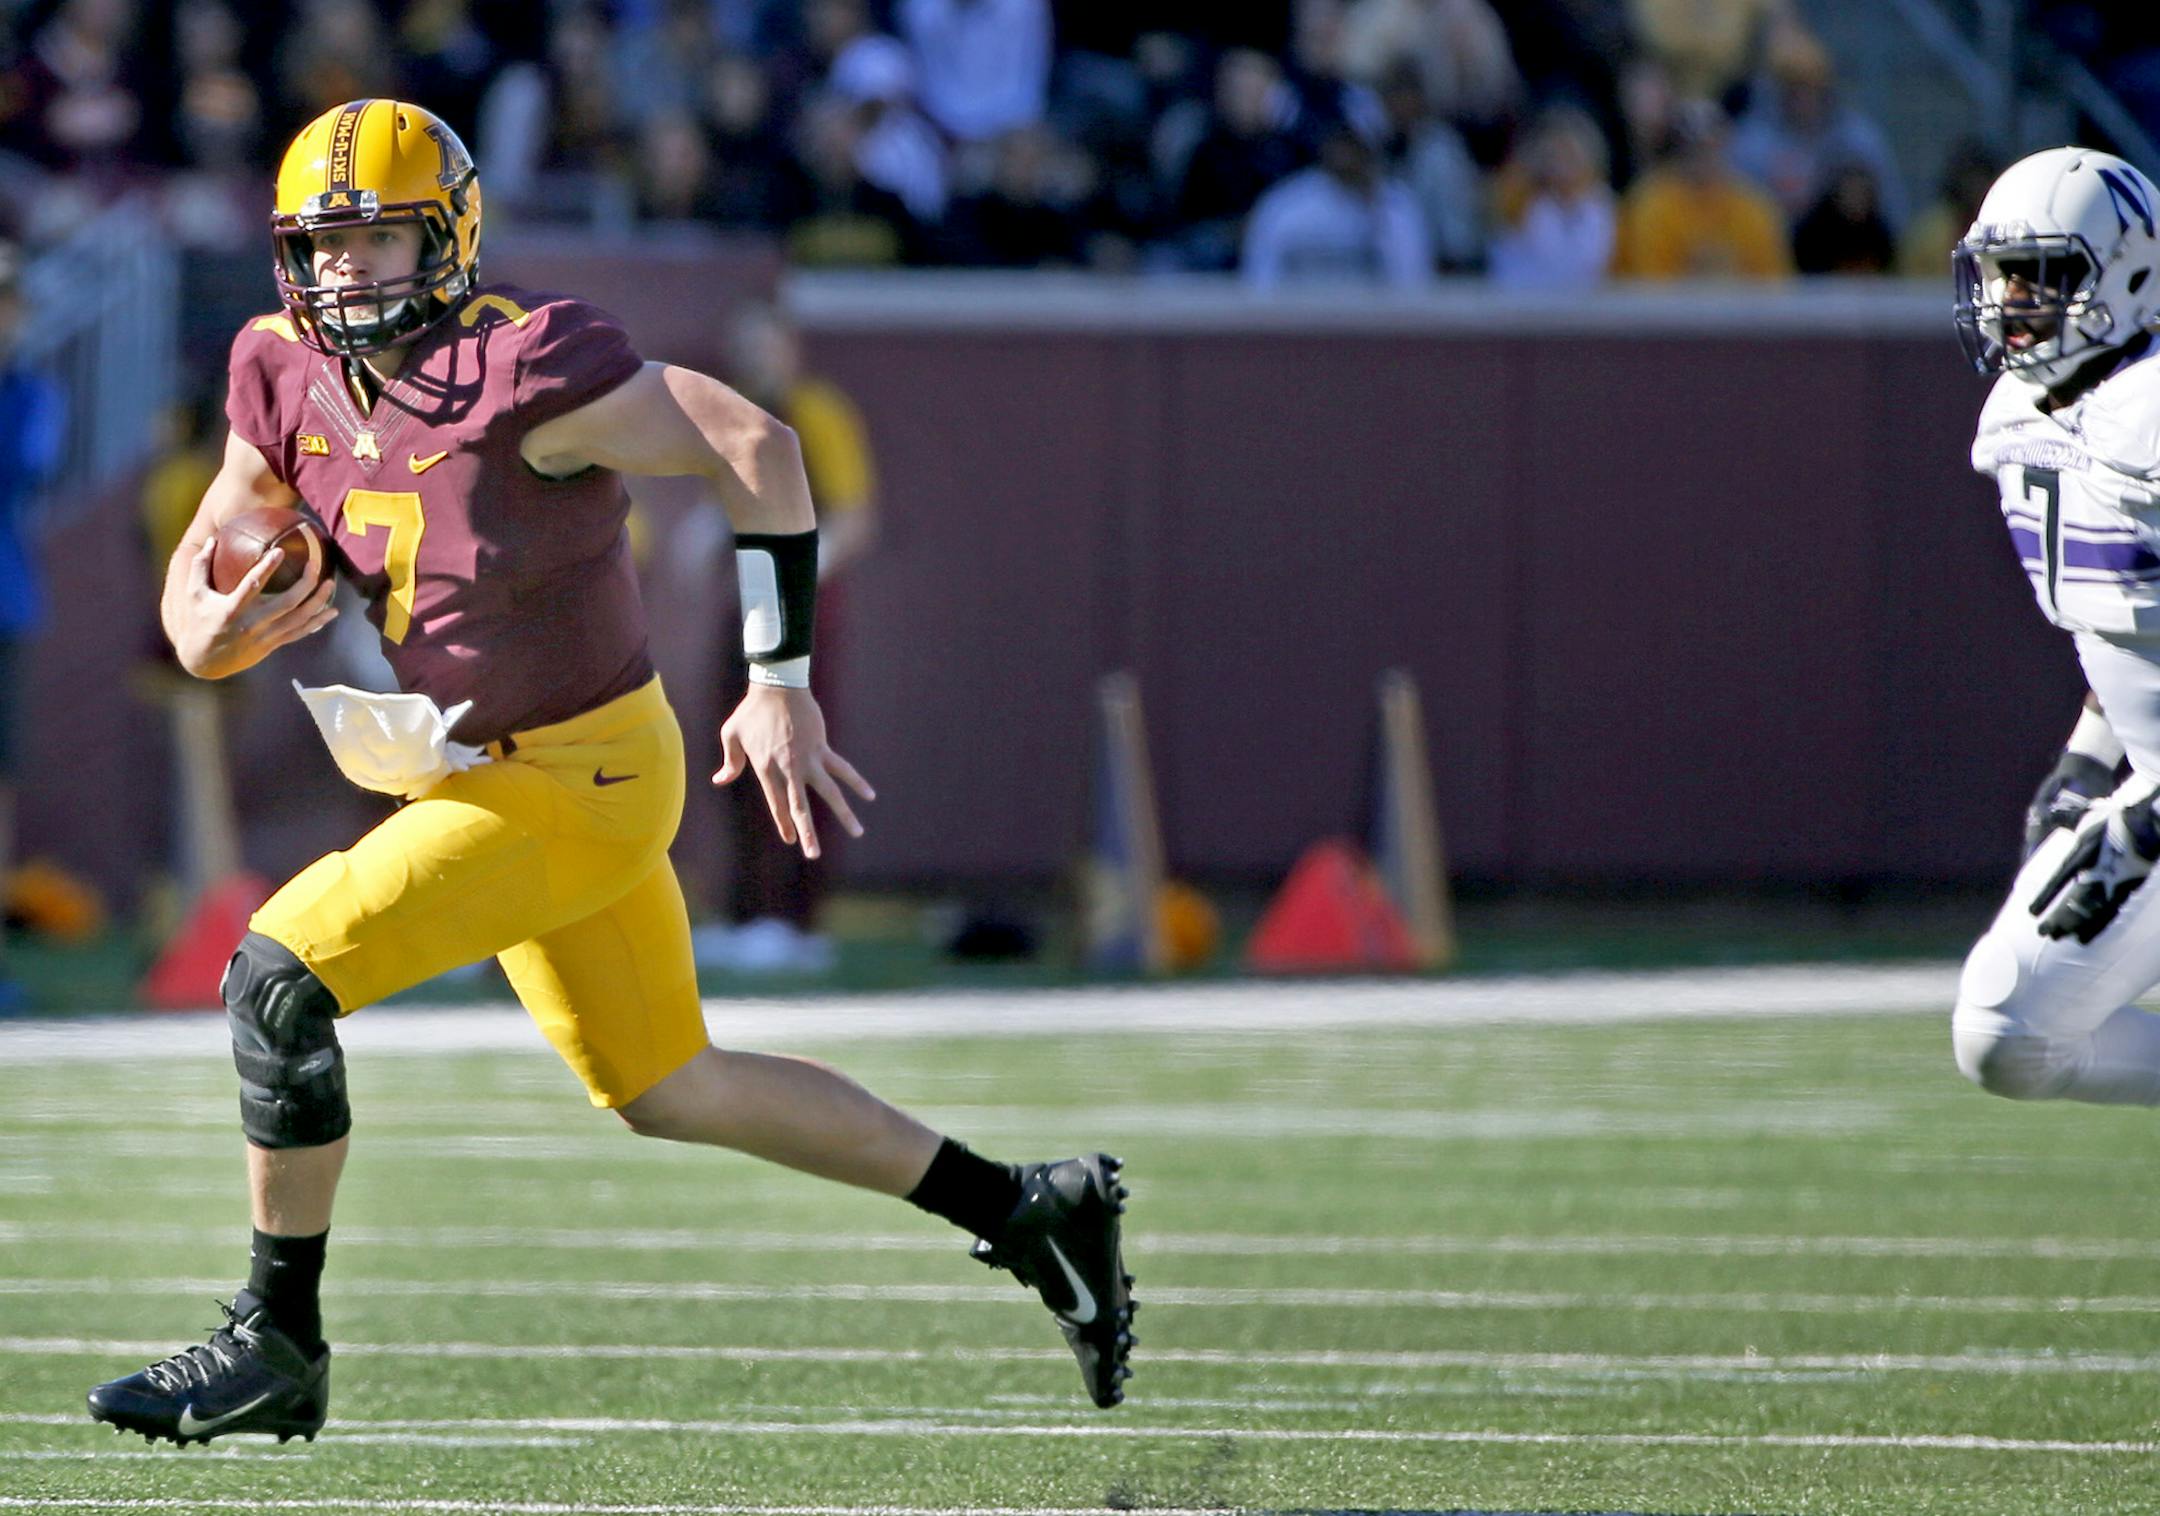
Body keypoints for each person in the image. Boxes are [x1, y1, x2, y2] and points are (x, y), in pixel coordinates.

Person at [84, 98, 1135, 1448]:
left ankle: (278, 1337)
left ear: (449, 239)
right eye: (323, 244)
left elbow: (760, 447)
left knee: (277, 981)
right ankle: (1029, 1208)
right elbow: (222, 531)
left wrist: (780, 682)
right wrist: (197, 626)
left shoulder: (527, 368)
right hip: (473, 772)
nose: (347, 271)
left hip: (576, 774)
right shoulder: (278, 368)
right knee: (668, 1085)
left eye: (380, 240)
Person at [1948, 145, 2160, 1107]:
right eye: (2002, 274)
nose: (2013, 302)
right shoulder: (2019, 418)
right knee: (2003, 1033)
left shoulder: (2148, 411)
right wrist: (2087, 756)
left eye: (2046, 276)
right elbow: (2126, 623)